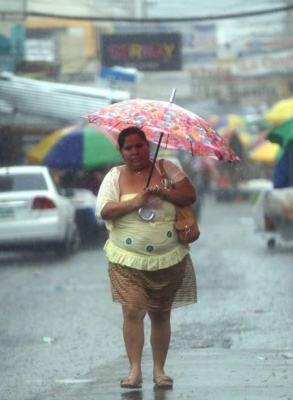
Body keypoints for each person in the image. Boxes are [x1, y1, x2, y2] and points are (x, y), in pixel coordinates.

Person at [95, 126, 198, 390]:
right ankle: (134, 371)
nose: (134, 152)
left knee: (161, 314)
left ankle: (159, 371)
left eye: (139, 146)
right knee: (131, 310)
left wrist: (164, 192)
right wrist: (136, 202)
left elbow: (189, 195)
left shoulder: (167, 169)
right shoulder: (114, 176)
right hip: (126, 260)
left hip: (167, 258)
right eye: (128, 148)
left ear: (148, 145)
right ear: (121, 151)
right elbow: (105, 210)